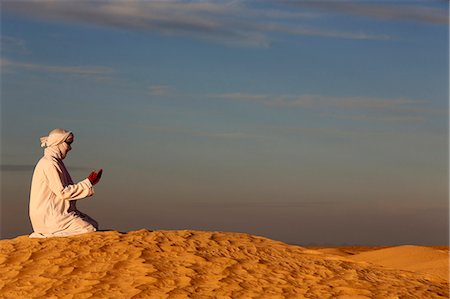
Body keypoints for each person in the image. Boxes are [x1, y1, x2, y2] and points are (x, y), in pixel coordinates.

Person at [29, 128, 103, 238]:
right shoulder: (49, 163)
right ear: (57, 143)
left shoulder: (55, 162)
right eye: (68, 143)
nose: (70, 148)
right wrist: (88, 183)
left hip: (57, 213)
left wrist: (89, 183)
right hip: (49, 216)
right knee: (89, 229)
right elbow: (63, 192)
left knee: (94, 224)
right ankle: (49, 235)